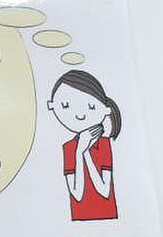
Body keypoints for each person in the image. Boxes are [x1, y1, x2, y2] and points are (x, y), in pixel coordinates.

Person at [47, 70, 122, 221]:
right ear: (52, 106)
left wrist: (85, 152)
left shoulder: (104, 144)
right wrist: (79, 151)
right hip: (79, 217)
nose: (79, 115)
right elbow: (77, 194)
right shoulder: (69, 148)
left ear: (106, 109)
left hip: (107, 216)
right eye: (65, 105)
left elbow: (104, 191)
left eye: (91, 107)